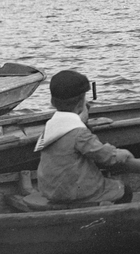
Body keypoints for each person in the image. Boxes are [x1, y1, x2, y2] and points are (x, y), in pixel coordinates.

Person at [35, 70, 134, 204]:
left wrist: (81, 121)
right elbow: (104, 156)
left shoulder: (51, 126)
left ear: (53, 102)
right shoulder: (79, 133)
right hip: (76, 192)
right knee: (124, 190)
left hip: (49, 191)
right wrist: (121, 154)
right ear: (81, 104)